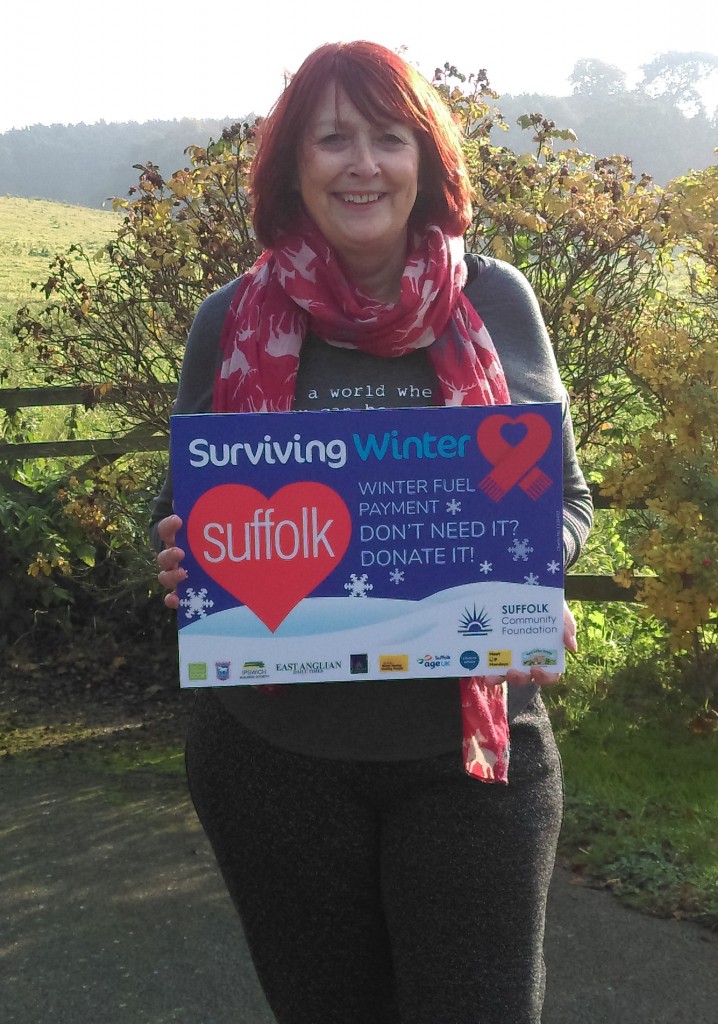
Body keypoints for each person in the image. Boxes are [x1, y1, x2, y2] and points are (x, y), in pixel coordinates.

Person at [152, 40, 593, 1024]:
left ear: (426, 159)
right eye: (333, 139)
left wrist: (533, 567)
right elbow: (178, 509)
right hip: (272, 761)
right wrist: (178, 555)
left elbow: (565, 499)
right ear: (293, 165)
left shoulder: (494, 302)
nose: (363, 164)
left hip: (472, 758)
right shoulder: (229, 319)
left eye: (389, 138)